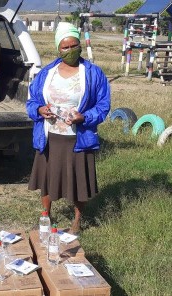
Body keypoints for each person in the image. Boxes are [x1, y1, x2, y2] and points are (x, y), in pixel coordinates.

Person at [27, 22, 111, 235]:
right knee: (47, 179)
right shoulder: (47, 73)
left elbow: (103, 105)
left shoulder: (93, 73)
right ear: (58, 49)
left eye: (75, 45)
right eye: (65, 47)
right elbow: (32, 100)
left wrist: (85, 117)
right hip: (50, 136)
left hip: (78, 137)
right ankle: (45, 215)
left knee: (78, 180)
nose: (71, 50)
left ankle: (76, 220)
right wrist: (39, 109)